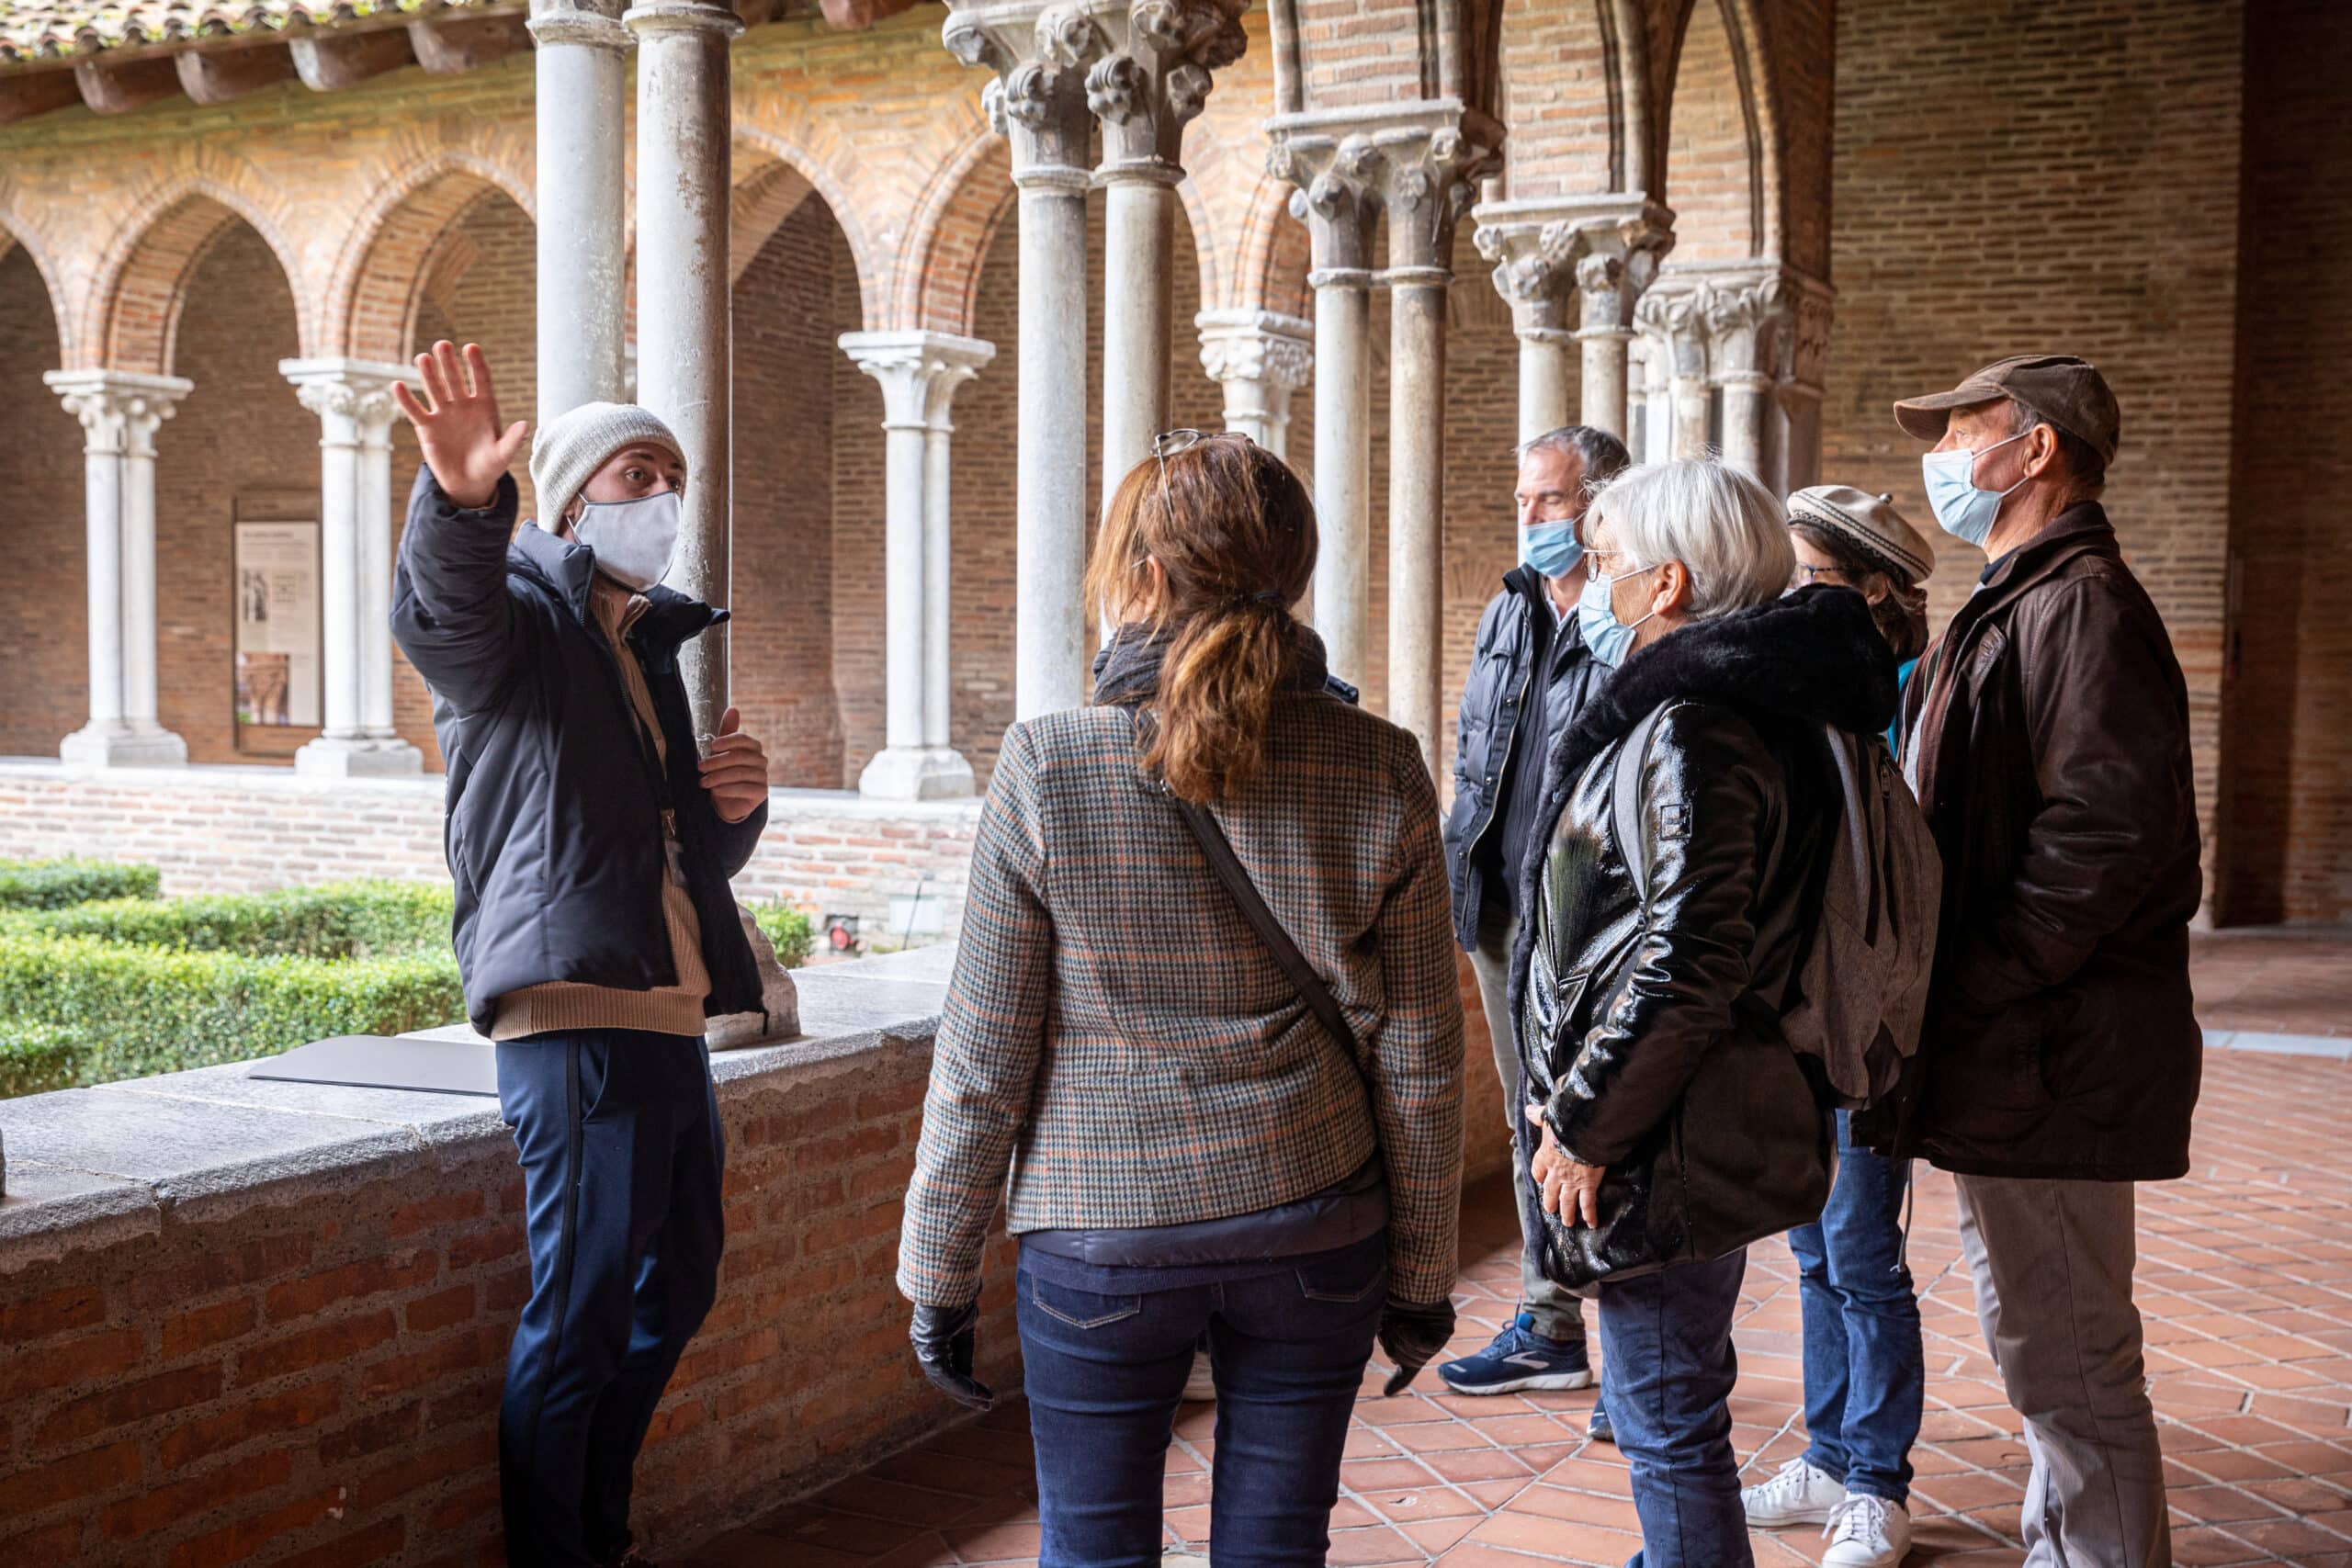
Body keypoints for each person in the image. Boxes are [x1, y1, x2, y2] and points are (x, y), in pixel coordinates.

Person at [897, 430, 1465, 1567]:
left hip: (1103, 1232)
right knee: (1275, 1545)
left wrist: (938, 1275)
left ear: (1145, 579)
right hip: (1316, 1210)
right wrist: (1421, 1275)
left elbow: (984, 1058)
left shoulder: (1048, 765)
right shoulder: (1379, 760)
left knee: (1095, 1550)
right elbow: (1420, 1056)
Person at [390, 341, 774, 1568]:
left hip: (666, 1011)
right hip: (572, 1014)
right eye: (632, 470)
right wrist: (459, 501)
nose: (658, 494)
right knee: (581, 1318)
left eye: (670, 471)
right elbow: (441, 618)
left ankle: (594, 1534)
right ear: (565, 500)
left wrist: (731, 808)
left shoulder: (640, 647)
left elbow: (674, 860)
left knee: (679, 1288)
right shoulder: (524, 620)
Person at [1510, 458, 1899, 1568]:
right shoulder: (1750, 705)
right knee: (1668, 1400)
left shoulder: (1696, 722)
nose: (1595, 583)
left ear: (1667, 584)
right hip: (1684, 1104)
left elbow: (1687, 958)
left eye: (1608, 562)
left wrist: (1586, 1121)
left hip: (1665, 1120)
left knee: (1667, 1418)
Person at [1866, 355, 2200, 1568]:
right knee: (2044, 1343)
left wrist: (1978, 980)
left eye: (1963, 432)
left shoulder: (2082, 604)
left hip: (2050, 1047)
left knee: (2071, 1355)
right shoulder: (2025, 594)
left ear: (2037, 446)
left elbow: (2104, 838)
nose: (1945, 458)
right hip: (2023, 1046)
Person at [1738, 485, 1938, 1567]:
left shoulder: (1899, 695)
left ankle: (1877, 1480)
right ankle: (1825, 1457)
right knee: (1814, 1253)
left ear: (1869, 590)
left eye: (1807, 577)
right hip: (1796, 1022)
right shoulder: (1802, 699)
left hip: (1864, 1024)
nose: (1787, 601)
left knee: (1864, 1259)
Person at [1439, 426, 1629, 1413]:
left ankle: (1636, 1357)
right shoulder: (1509, 609)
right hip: (1501, 914)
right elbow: (1476, 750)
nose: (1528, 516)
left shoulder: (1630, 616)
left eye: (1548, 501)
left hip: (1590, 927)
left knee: (1607, 1126)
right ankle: (1549, 1322)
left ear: (1598, 507)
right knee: (1530, 1123)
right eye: (1525, 498)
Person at [1784, 485, 1932, 750]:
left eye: (1804, 572)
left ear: (1874, 589)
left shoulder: (1908, 693)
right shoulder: (1830, 678)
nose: (1790, 589)